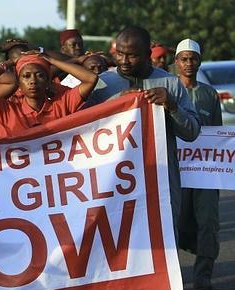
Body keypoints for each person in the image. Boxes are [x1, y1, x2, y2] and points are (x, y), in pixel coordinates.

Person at [85, 25, 200, 223]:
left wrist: (171, 105)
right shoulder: (102, 84)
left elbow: (192, 132)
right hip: (115, 181)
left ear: (147, 54)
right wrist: (116, 104)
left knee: (164, 236)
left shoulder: (170, 83)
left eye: (131, 55)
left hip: (160, 178)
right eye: (119, 53)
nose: (123, 61)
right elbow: (84, 129)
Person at [174, 38, 225, 290]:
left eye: (193, 59)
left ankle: (204, 281)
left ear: (199, 61)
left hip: (205, 170)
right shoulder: (168, 91)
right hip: (176, 171)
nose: (189, 63)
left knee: (209, 224)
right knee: (174, 225)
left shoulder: (209, 94)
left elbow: (217, 134)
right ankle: (170, 285)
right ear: (176, 62)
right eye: (184, 59)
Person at [0, 52, 98, 137]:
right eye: (26, 76)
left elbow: (91, 78)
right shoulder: (8, 110)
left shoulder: (62, 104)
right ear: (18, 82)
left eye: (40, 75)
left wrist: (51, 60)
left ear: (48, 81)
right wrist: (10, 62)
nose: (33, 81)